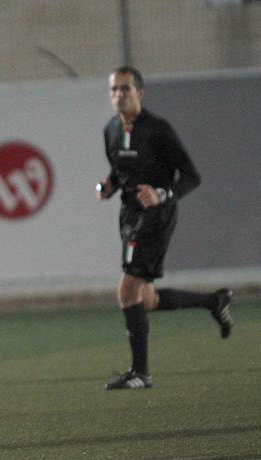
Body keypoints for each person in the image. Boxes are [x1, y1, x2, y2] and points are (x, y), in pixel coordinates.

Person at [98, 66, 233, 390]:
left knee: (126, 291)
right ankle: (214, 302)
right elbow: (119, 170)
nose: (119, 95)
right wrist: (108, 186)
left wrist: (161, 193)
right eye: (114, 90)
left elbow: (191, 176)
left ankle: (141, 373)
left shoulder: (159, 130)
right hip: (128, 217)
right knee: (145, 299)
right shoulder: (110, 130)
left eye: (125, 89)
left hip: (156, 217)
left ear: (140, 93)